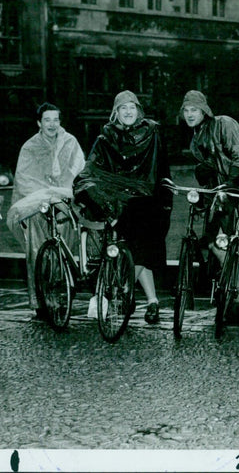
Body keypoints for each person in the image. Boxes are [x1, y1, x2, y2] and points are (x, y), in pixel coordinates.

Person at [73, 91, 172, 324]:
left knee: (144, 242)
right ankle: (151, 301)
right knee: (139, 247)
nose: (128, 112)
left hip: (148, 198)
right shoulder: (106, 137)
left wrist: (163, 199)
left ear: (138, 110)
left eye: (132, 107)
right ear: (115, 113)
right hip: (121, 200)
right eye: (123, 108)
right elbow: (94, 168)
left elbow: (161, 170)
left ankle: (122, 291)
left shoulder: (152, 133)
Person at [6, 102, 86, 319]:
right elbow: (24, 179)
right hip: (38, 205)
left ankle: (64, 294)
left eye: (56, 120)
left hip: (64, 202)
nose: (52, 124)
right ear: (39, 123)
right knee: (37, 250)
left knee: (66, 246)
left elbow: (79, 171)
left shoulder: (70, 143)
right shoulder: (30, 147)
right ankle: (40, 300)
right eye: (47, 120)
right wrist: (46, 193)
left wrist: (61, 191)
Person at [181, 90, 239, 320]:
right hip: (221, 193)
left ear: (204, 110)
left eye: (194, 110)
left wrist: (231, 183)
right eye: (186, 110)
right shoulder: (195, 140)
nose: (190, 114)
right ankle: (231, 280)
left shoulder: (224, 124)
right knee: (212, 242)